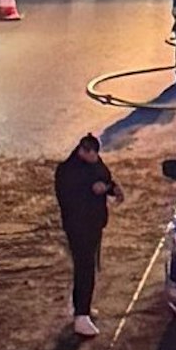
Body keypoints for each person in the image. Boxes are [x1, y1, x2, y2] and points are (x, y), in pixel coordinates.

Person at [54, 134, 122, 337]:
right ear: (83, 151)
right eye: (92, 154)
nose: (96, 158)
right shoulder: (67, 171)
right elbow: (69, 200)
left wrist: (112, 188)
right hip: (78, 228)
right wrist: (93, 190)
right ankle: (81, 316)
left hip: (93, 225)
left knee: (90, 267)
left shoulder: (95, 163)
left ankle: (83, 307)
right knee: (84, 268)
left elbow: (105, 179)